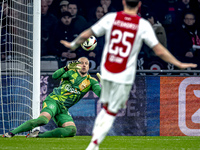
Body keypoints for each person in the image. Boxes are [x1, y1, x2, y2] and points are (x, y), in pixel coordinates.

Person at [60, 0, 197, 149]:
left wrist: (73, 44)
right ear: (139, 5)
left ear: (124, 2)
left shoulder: (111, 18)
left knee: (107, 108)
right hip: (123, 74)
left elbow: (88, 33)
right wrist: (179, 64)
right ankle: (93, 144)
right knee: (111, 110)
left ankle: (94, 143)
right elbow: (159, 50)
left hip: (106, 70)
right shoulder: (142, 24)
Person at [3, 57, 101, 138]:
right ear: (77, 65)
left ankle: (37, 136)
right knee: (43, 120)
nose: (84, 65)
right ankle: (11, 133)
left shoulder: (91, 81)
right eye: (81, 63)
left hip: (63, 109)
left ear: (89, 67)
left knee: (71, 130)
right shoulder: (70, 73)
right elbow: (54, 76)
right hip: (54, 100)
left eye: (86, 63)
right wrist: (66, 68)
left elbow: (101, 94)